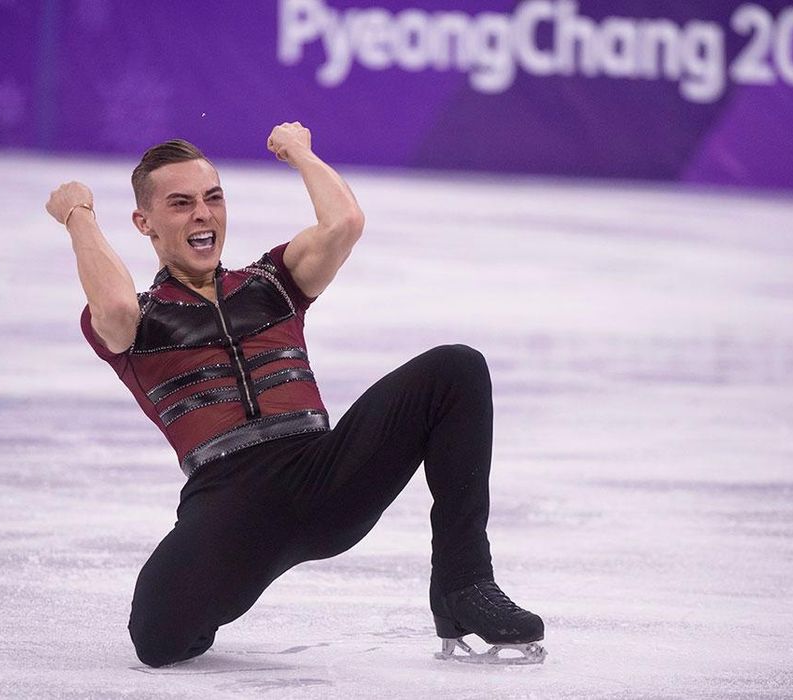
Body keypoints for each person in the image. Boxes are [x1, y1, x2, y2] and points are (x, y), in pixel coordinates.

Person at [45, 122, 545, 667]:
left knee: (455, 368)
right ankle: (220, 582)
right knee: (158, 641)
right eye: (181, 204)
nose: (203, 214)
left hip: (324, 475)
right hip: (231, 502)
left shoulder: (271, 284)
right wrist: (78, 214)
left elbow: (344, 222)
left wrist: (300, 153)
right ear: (144, 223)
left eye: (213, 198)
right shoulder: (137, 323)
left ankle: (463, 585)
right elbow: (115, 307)